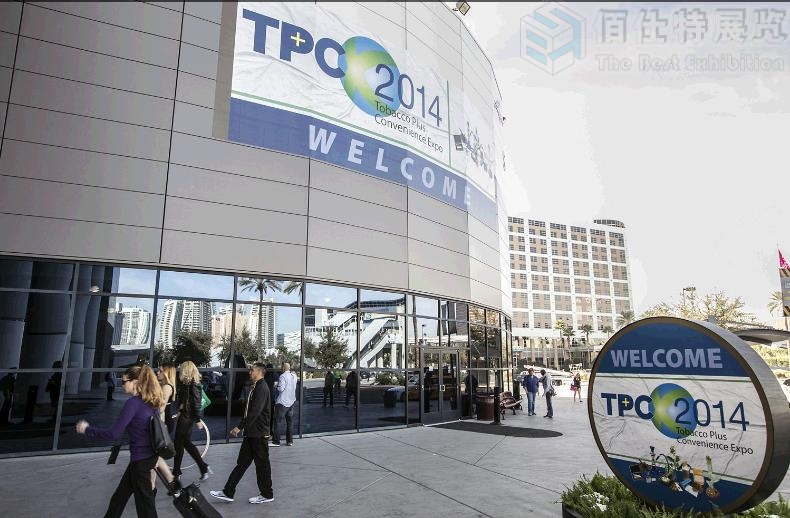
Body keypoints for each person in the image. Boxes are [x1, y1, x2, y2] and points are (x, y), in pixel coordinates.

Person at [76, 365, 164, 517]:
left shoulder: (133, 403)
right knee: (119, 498)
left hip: (140, 461)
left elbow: (113, 433)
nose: (122, 385)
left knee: (146, 508)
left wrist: (87, 429)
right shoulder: (152, 401)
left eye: (124, 382)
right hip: (148, 456)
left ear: (135, 382)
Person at [210, 362, 274, 505]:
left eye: (252, 370)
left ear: (259, 372)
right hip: (252, 434)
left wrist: (240, 427)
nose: (249, 372)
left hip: (259, 434)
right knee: (242, 464)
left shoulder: (262, 388)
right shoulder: (256, 387)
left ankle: (267, 494)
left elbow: (254, 411)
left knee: (262, 465)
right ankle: (228, 492)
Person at [172, 361, 212, 482]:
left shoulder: (194, 385)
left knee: (178, 444)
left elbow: (196, 403)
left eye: (182, 368)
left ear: (186, 370)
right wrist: (179, 412)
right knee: (186, 444)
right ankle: (203, 467)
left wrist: (198, 420)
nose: (180, 370)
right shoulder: (187, 384)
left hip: (187, 418)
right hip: (185, 416)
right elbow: (184, 402)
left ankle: (176, 473)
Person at [150, 364, 180, 496]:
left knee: (154, 456)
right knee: (154, 457)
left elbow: (161, 408)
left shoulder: (167, 387)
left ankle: (169, 482)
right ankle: (155, 486)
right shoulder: (162, 385)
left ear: (167, 373)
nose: (158, 373)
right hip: (161, 423)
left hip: (163, 425)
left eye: (161, 371)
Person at [271, 362, 297, 447]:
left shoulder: (282, 376)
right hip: (291, 402)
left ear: (283, 368)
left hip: (282, 402)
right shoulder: (294, 376)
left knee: (277, 422)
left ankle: (276, 442)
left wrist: (276, 385)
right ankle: (290, 441)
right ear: (289, 368)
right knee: (289, 422)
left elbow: (281, 389)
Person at [263, 364, 277, 436]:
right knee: (271, 415)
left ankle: (264, 430)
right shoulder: (274, 375)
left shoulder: (264, 375)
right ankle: (270, 431)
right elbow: (275, 386)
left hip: (265, 398)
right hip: (271, 398)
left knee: (264, 415)